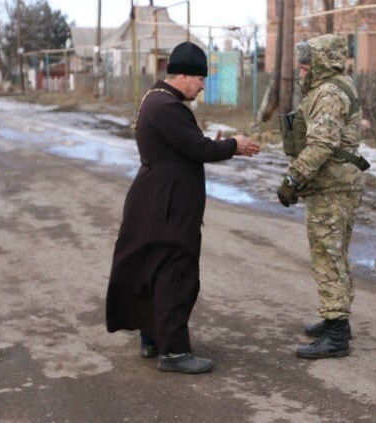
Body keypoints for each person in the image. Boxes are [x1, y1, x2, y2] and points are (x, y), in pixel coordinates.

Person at [106, 41, 260, 374]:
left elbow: (188, 146)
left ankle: (152, 339)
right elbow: (198, 148)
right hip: (168, 207)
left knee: (153, 270)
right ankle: (174, 352)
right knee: (176, 274)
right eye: (200, 78)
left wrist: (210, 143)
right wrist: (234, 145)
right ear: (184, 75)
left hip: (156, 201)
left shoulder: (157, 99)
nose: (203, 85)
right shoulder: (167, 107)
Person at [277, 34, 369, 359]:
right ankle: (335, 318)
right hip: (336, 185)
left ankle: (336, 332)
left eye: (306, 65)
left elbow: (321, 145)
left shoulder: (329, 92)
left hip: (332, 187)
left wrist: (293, 178)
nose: (302, 71)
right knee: (335, 253)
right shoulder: (334, 85)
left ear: (321, 62)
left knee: (327, 255)